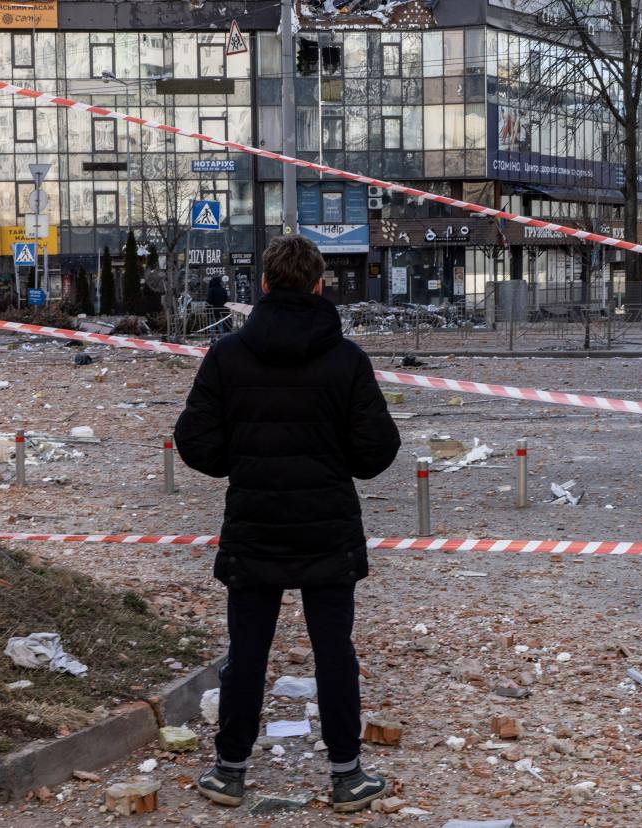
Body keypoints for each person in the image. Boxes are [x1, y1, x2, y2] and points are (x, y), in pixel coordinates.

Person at [175, 234, 401, 814]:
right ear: (320, 285)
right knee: (334, 652)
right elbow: (378, 450)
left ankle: (229, 771)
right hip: (327, 526)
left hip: (255, 523)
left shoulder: (228, 355)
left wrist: (241, 462)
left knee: (247, 651)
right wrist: (332, 462)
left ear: (265, 286)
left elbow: (193, 440)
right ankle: (346, 776)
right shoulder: (347, 359)